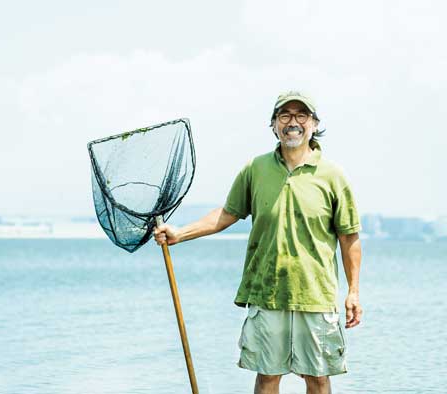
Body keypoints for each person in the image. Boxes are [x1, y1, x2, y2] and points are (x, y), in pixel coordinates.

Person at [154, 91, 363, 394]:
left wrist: (353, 291)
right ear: (274, 125)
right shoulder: (255, 168)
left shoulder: (333, 175)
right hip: (267, 293)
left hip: (316, 295)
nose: (293, 122)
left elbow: (349, 236)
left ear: (314, 124)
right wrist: (180, 234)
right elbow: (227, 214)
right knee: (267, 377)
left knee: (317, 378)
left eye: (301, 115)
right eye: (285, 116)